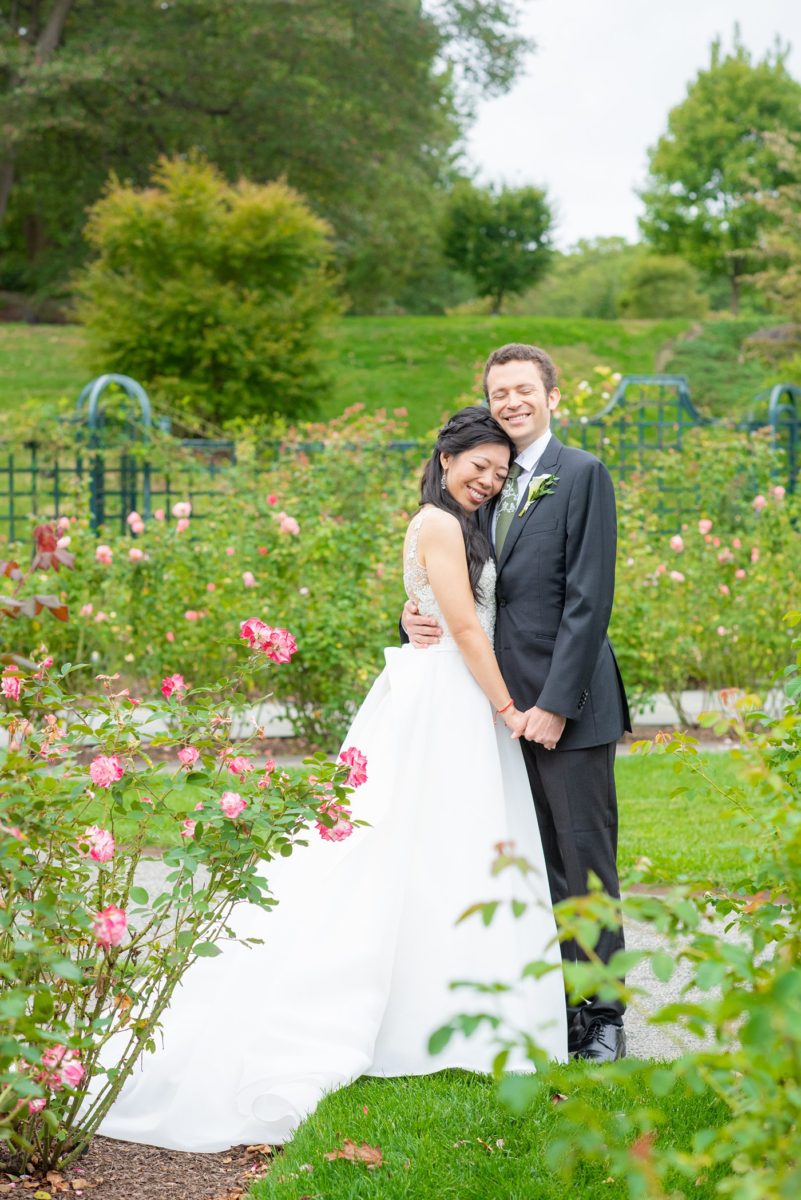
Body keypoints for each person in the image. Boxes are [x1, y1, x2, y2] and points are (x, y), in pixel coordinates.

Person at [96, 406, 567, 1153]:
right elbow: (469, 629)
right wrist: (508, 705)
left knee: (442, 849)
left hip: (445, 690)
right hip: (448, 699)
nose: (487, 479)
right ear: (445, 456)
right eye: (478, 465)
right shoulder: (438, 523)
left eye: (500, 473)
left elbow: (451, 613)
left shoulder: (453, 524)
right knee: (421, 846)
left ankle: (446, 1000)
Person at [404, 345, 631, 1063]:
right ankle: (551, 1001)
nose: (511, 401)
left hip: (568, 703)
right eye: (499, 390)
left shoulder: (581, 475)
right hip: (492, 708)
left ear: (552, 395)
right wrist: (412, 621)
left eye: (524, 388)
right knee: (529, 861)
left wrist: (557, 703)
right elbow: (461, 590)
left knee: (582, 860)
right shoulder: (481, 483)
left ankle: (602, 1014)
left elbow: (589, 598)